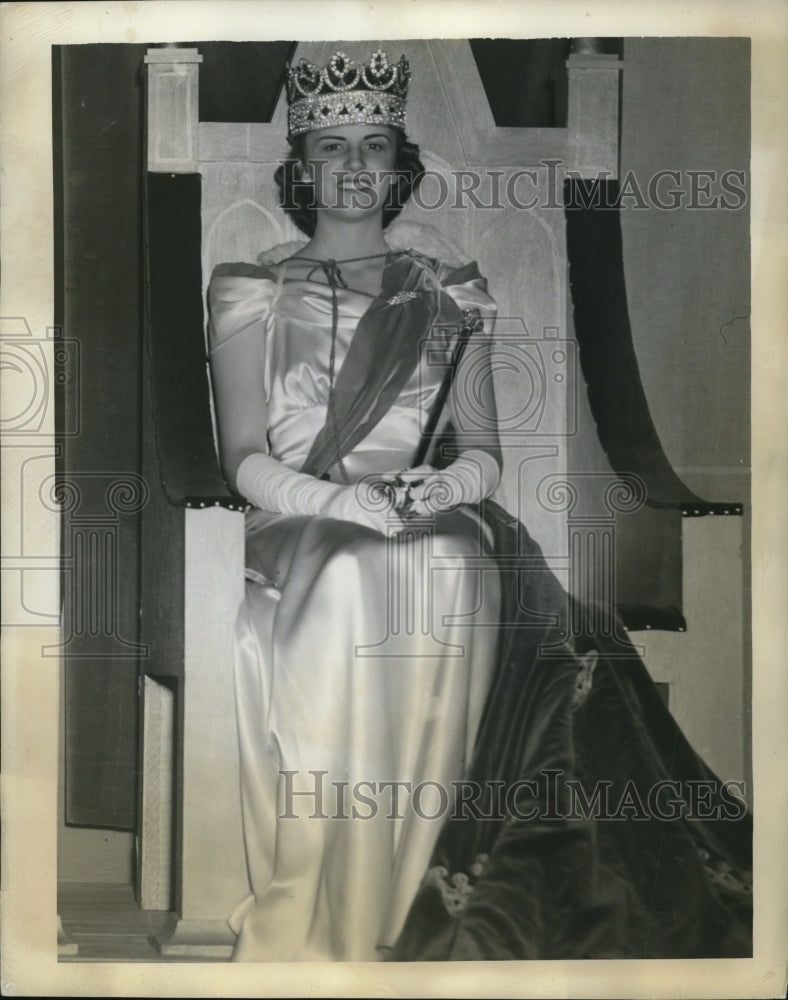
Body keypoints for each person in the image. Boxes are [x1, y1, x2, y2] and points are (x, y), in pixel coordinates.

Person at [207, 49, 752, 963]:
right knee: (348, 572)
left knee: (450, 560)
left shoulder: (447, 289)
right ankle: (330, 903)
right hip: (298, 516)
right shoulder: (251, 288)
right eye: (331, 145)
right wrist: (338, 502)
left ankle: (411, 888)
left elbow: (485, 450)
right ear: (300, 164)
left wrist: (443, 487)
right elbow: (240, 456)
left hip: (430, 509)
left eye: (372, 146)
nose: (351, 166)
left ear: (397, 162)